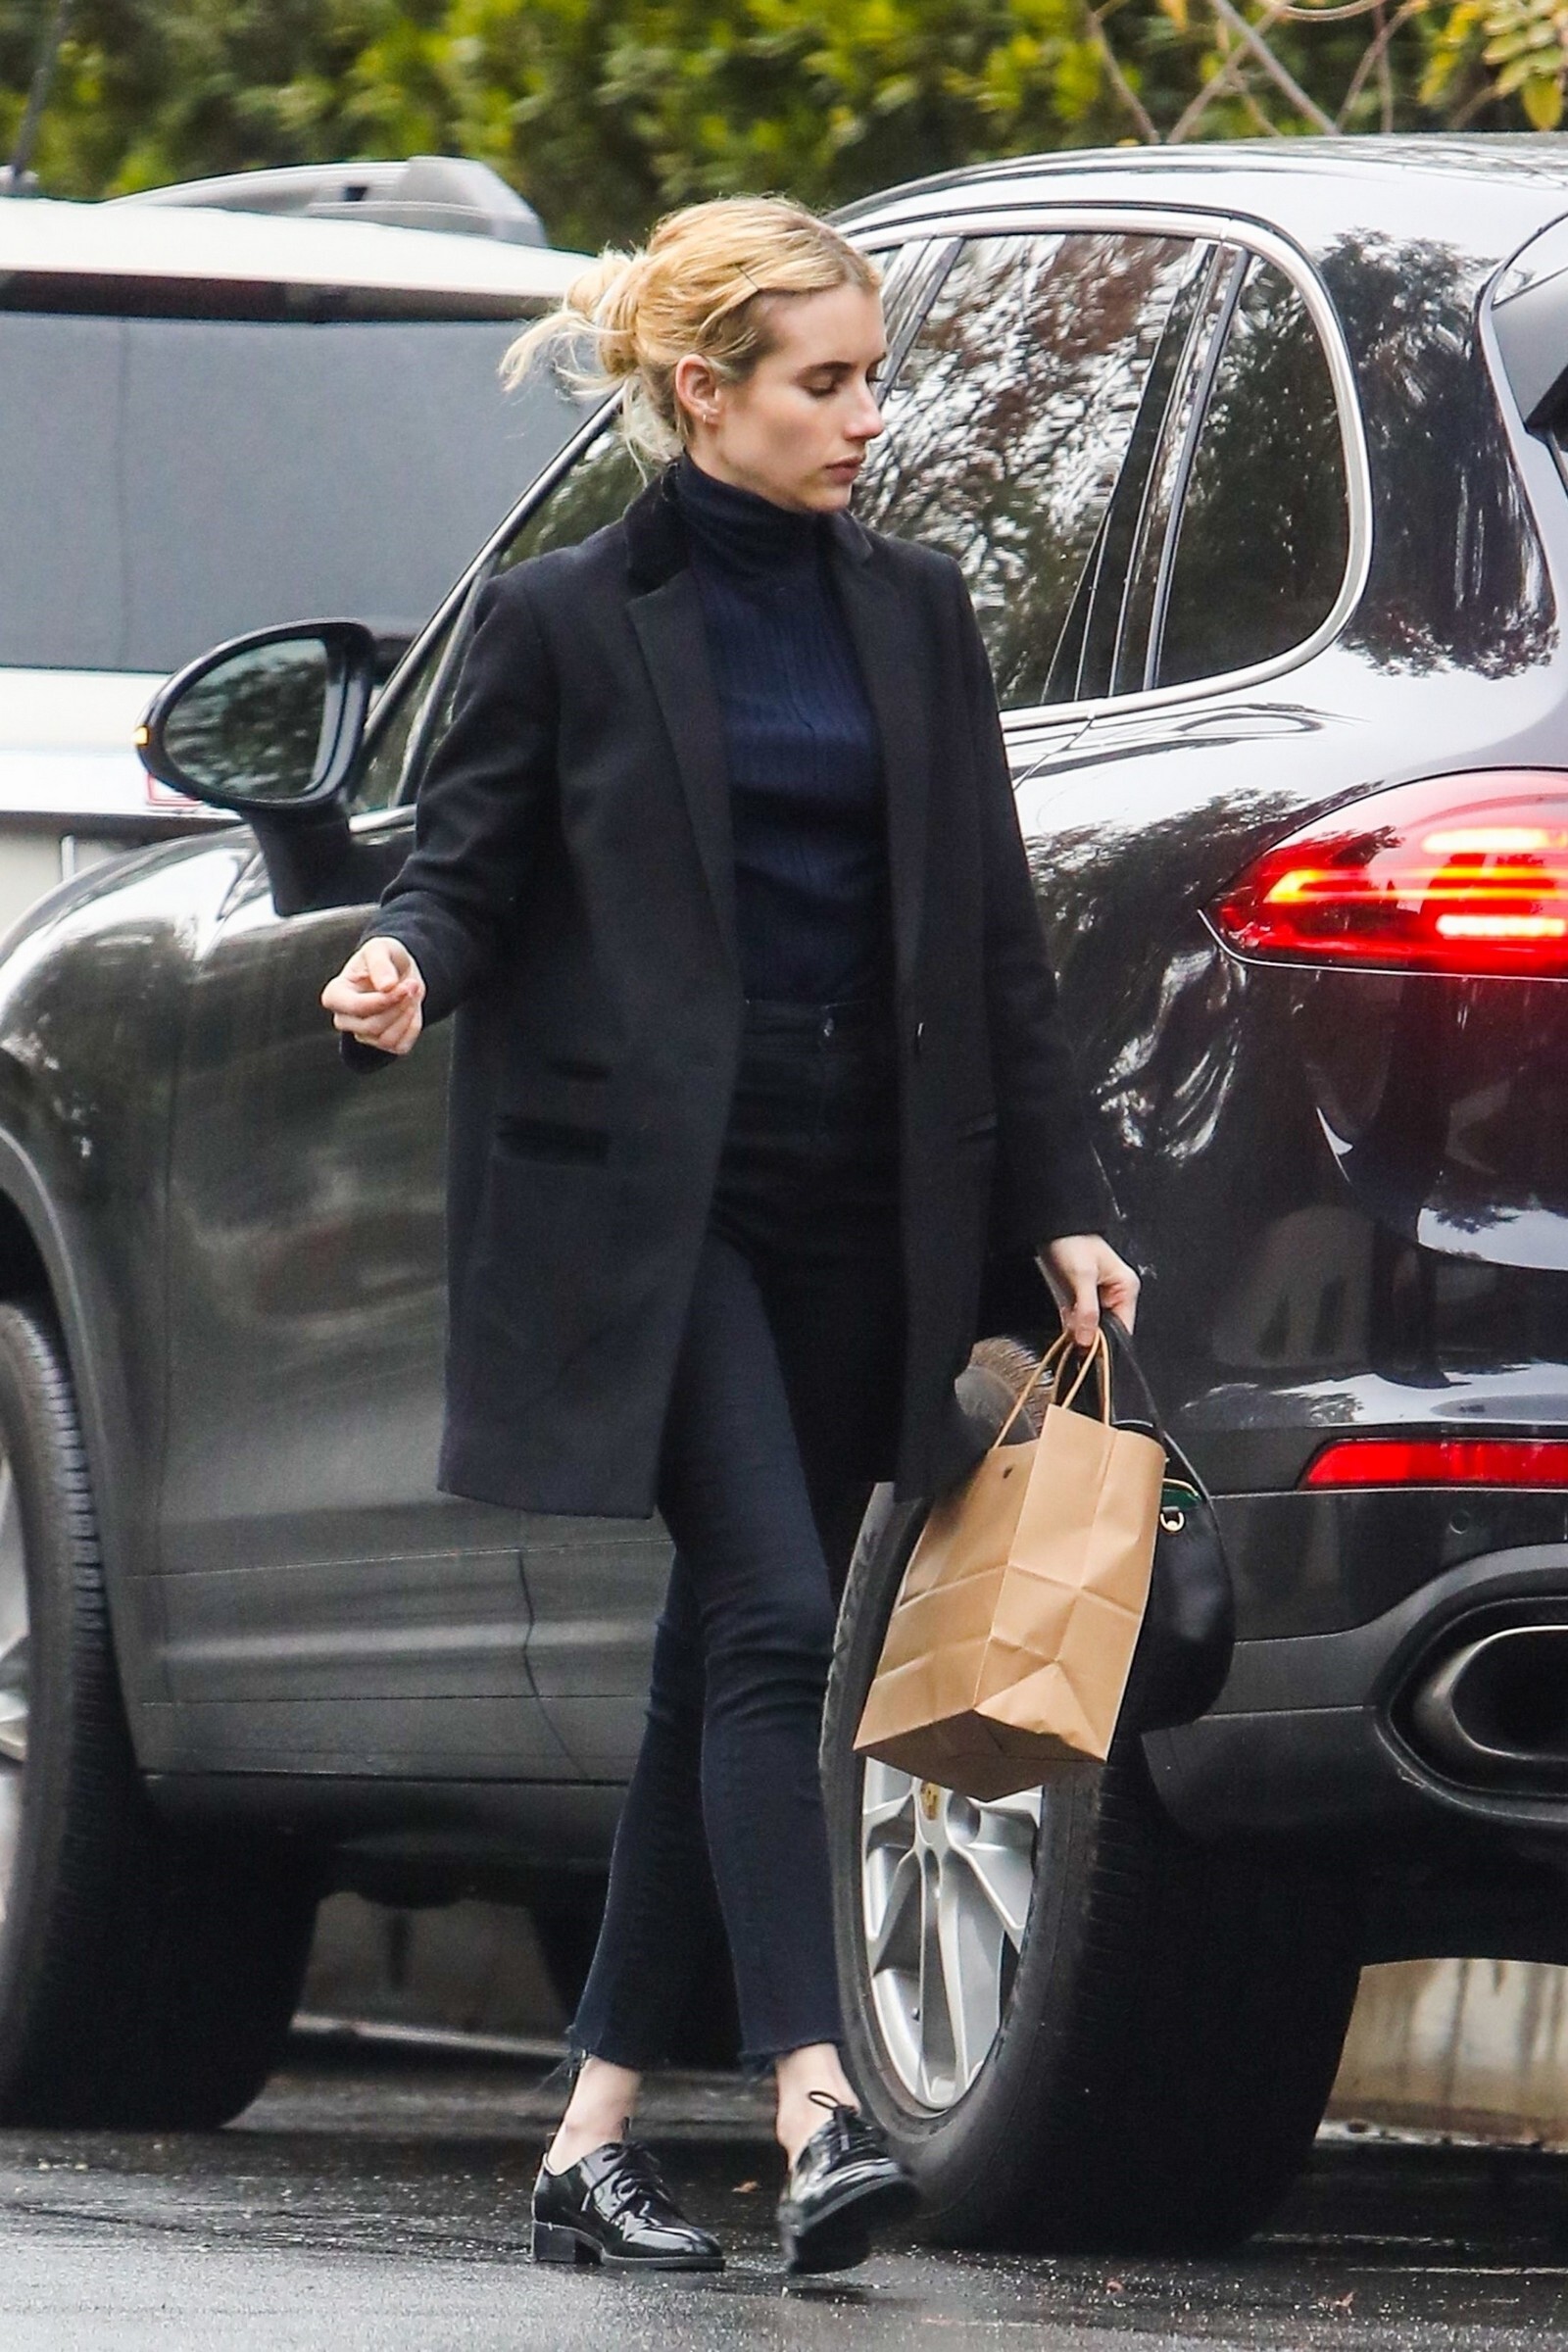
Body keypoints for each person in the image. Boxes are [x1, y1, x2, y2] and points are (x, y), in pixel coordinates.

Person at [319, 193, 1140, 2278]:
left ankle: (586, 2139)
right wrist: (406, 964)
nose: (865, 417)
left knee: (720, 1651)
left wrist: (1059, 1208)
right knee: (778, 1611)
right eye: (824, 383)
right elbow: (467, 870)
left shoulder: (913, 609)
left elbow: (991, 934)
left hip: (862, 1199)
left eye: (871, 379)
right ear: (705, 392)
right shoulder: (565, 620)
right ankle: (814, 2098)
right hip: (647, 1210)